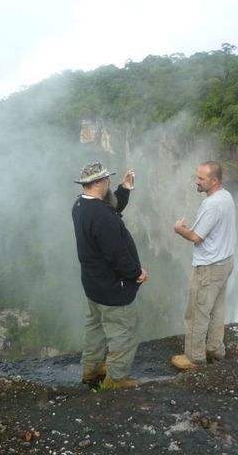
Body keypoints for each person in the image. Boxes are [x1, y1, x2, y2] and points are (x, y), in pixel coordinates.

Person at [72, 161, 147, 388]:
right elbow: (116, 254)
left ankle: (91, 368)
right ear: (98, 183)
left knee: (95, 328)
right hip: (113, 288)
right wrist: (136, 273)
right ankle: (115, 380)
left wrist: (123, 190)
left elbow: (110, 209)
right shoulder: (102, 216)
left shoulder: (80, 205)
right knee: (124, 331)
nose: (109, 182)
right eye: (107, 180)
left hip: (93, 285)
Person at [172, 161, 236, 370]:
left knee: (196, 312)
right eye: (197, 176)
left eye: (201, 178)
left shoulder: (211, 204)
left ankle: (194, 357)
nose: (196, 181)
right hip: (225, 262)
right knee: (217, 309)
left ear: (214, 180)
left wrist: (179, 228)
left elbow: (196, 237)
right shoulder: (226, 196)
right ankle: (215, 349)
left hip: (208, 267)